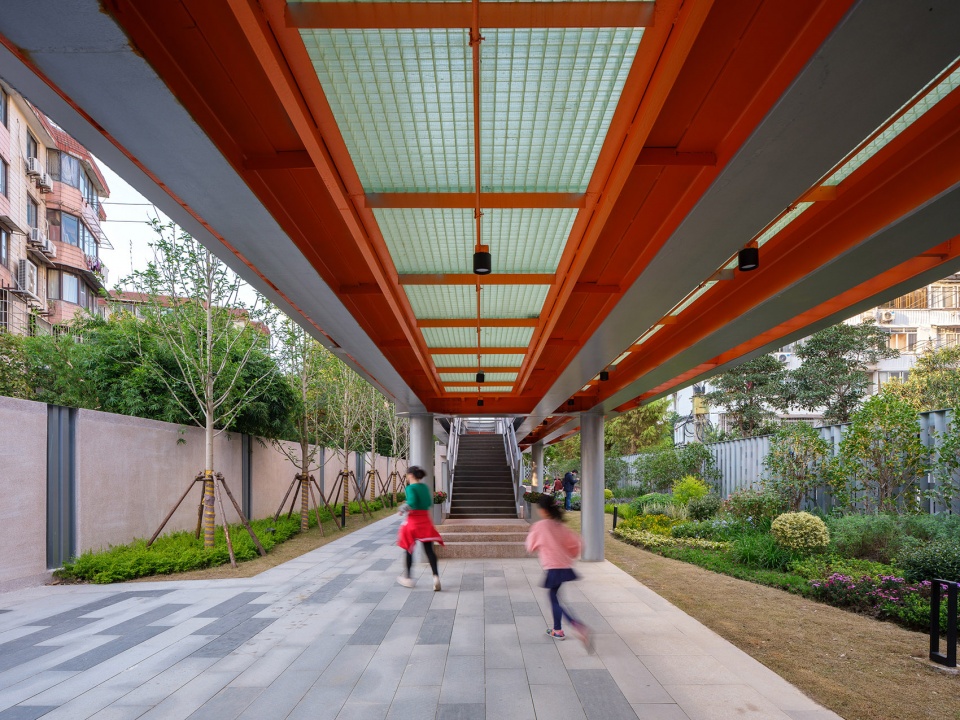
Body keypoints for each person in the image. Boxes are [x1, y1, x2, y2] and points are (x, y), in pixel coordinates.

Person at [525, 494, 591, 648]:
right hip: (564, 567)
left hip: (553, 568)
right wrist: (571, 554)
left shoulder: (540, 526)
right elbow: (577, 543)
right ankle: (557, 630)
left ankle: (576, 625)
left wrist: (537, 547)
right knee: (554, 595)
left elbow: (530, 546)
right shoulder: (560, 526)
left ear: (542, 510)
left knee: (553, 598)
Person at [396, 465, 444, 591]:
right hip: (425, 521)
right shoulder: (424, 487)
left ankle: (408, 578)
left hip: (413, 522)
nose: (406, 477)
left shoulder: (410, 488)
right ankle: (436, 577)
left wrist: (402, 509)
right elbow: (428, 503)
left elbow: (411, 502)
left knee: (408, 548)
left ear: (411, 475)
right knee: (429, 550)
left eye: (407, 474)